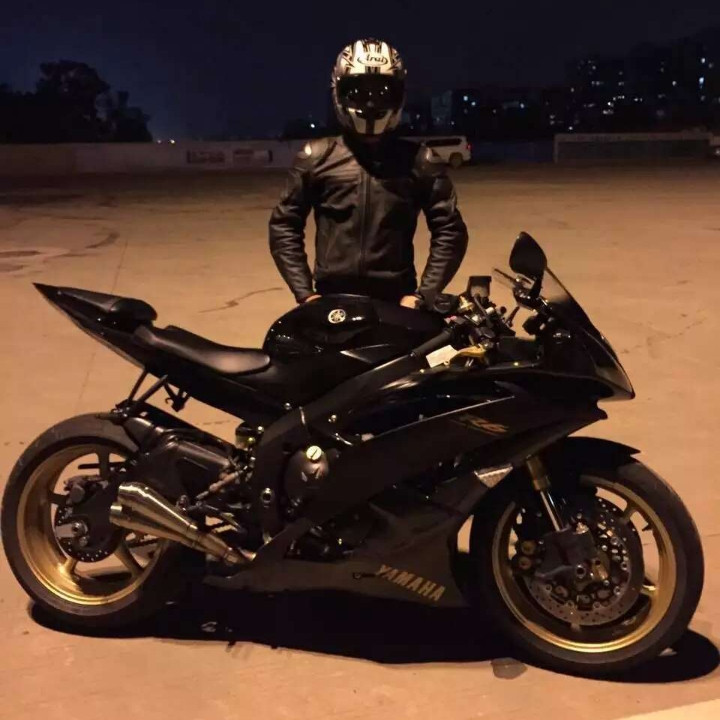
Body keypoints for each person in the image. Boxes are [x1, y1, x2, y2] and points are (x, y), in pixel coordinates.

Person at [269, 38, 468, 310]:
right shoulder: (315, 157)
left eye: (382, 92)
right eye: (359, 92)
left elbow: (450, 230)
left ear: (399, 95)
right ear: (338, 92)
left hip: (398, 302)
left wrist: (424, 295)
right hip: (330, 302)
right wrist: (305, 293)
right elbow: (284, 225)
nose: (371, 103)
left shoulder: (420, 161)